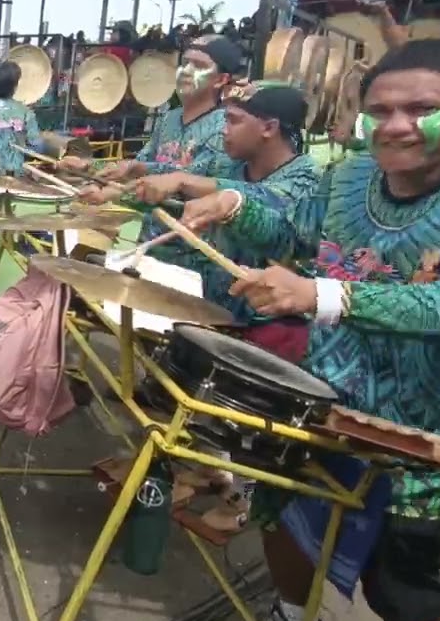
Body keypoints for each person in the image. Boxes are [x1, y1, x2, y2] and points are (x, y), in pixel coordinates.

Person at [184, 39, 440, 621]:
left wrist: (326, 295)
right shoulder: (348, 178)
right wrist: (231, 203)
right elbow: (292, 237)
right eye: (379, 111)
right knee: (285, 516)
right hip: (325, 398)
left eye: (422, 109)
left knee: (399, 585)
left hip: (429, 428)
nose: (395, 127)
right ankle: (293, 617)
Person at [132, 81, 322, 532]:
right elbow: (184, 179)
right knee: (180, 398)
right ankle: (202, 470)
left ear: (269, 128)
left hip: (272, 327)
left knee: (250, 429)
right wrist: (132, 179)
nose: (223, 130)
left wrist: (202, 188)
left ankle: (244, 500)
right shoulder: (228, 163)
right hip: (216, 310)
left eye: (235, 120)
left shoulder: (304, 180)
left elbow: (265, 207)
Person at [75, 37, 245, 199]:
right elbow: (138, 165)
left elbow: (193, 182)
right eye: (185, 63)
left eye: (199, 66)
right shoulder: (170, 118)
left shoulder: (225, 127)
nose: (186, 72)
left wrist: (115, 192)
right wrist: (98, 183)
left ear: (221, 79)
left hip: (189, 226)